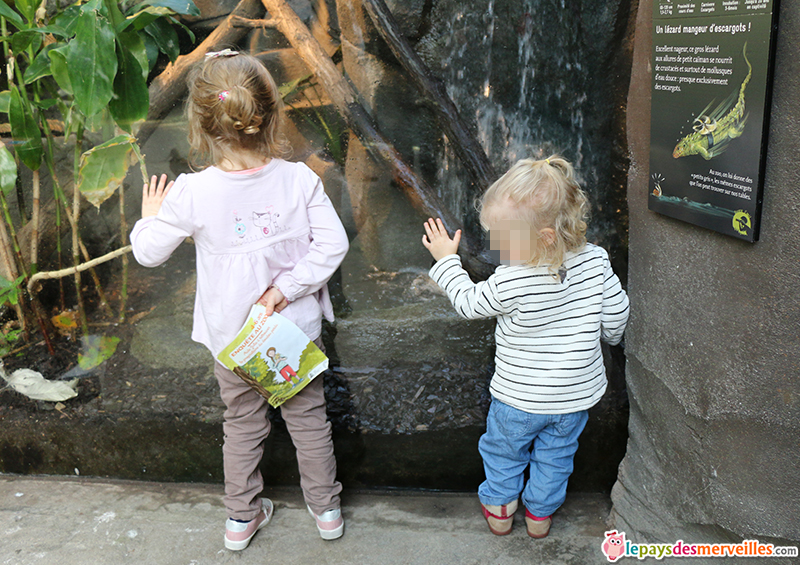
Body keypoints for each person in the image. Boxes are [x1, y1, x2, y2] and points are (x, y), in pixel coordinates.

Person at [130, 50, 349, 550]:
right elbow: (333, 245)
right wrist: (285, 289)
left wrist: (150, 214)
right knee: (308, 420)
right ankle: (327, 510)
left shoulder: (191, 192)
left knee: (243, 424)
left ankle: (239, 518)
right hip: (291, 333)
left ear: (201, 125)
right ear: (271, 114)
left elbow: (147, 253)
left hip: (235, 339)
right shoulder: (299, 179)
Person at [421, 155, 629, 539]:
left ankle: (501, 509)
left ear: (545, 237)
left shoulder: (513, 280)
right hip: (573, 399)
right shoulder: (596, 260)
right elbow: (617, 314)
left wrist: (447, 261)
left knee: (503, 452)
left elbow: (468, 303)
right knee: (556, 458)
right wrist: (611, 338)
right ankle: (540, 516)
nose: (494, 246)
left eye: (502, 237)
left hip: (517, 399)